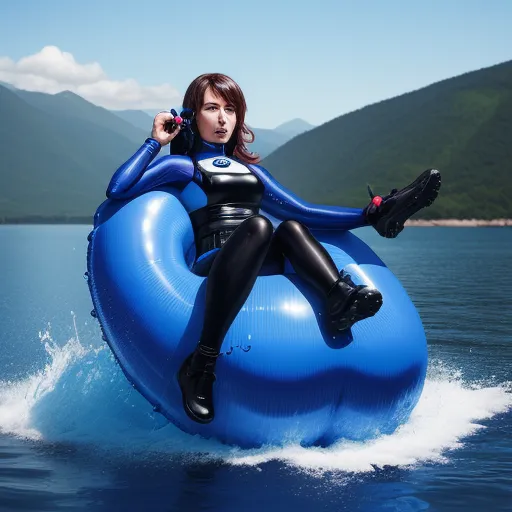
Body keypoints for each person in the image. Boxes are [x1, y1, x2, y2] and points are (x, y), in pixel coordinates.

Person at [106, 73, 441, 425]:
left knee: (292, 227)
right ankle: (201, 364)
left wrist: (366, 216)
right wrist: (154, 141)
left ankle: (340, 295)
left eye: (230, 109)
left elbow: (304, 211)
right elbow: (118, 187)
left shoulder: (253, 172)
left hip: (261, 255)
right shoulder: (181, 166)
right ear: (190, 116)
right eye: (211, 108)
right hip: (217, 262)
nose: (222, 118)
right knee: (261, 225)